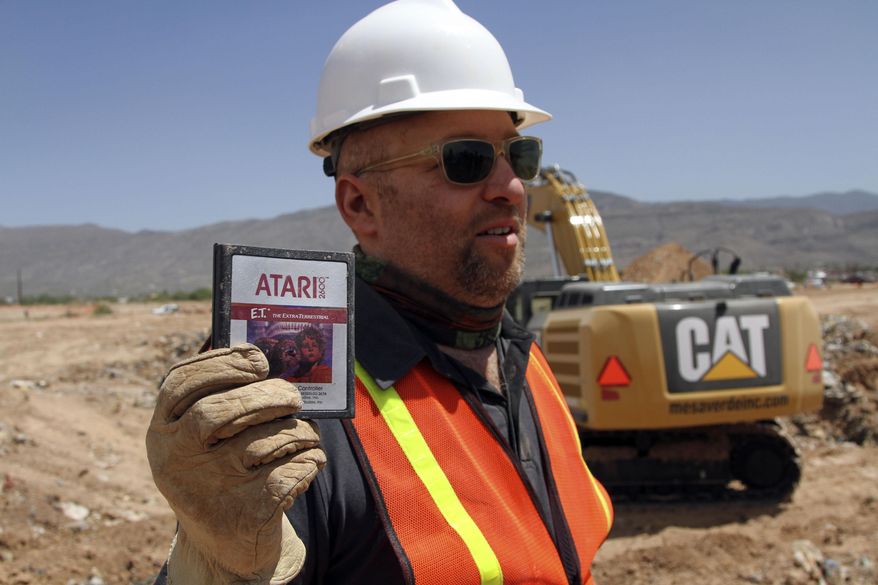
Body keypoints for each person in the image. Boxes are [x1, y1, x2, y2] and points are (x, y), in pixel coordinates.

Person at [146, 1, 613, 584]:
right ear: (359, 204)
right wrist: (216, 568)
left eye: (519, 153)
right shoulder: (298, 403)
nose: (512, 187)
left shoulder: (524, 357)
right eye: (465, 160)